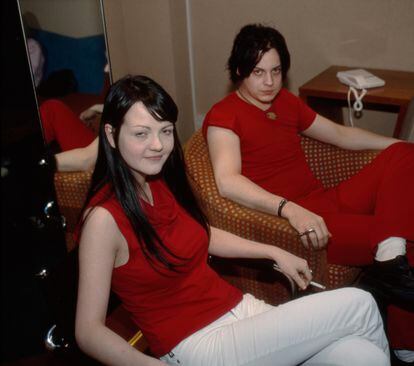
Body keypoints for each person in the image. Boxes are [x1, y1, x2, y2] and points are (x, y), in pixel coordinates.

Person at [74, 74, 390, 366]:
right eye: (141, 133)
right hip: (197, 343)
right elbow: (88, 331)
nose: (157, 145)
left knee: (363, 356)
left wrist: (274, 251)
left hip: (238, 309)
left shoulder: (157, 181)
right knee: (360, 304)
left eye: (166, 131)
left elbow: (201, 234)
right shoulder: (103, 219)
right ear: (112, 136)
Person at [202, 23, 414, 362]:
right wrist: (289, 209)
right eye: (258, 72)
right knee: (406, 233)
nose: (269, 82)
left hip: (328, 199)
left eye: (276, 71)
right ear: (240, 69)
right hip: (308, 223)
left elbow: (340, 135)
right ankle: (406, 345)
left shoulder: (285, 101)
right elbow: (228, 181)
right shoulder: (224, 116)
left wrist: (401, 145)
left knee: (405, 155)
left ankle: (389, 252)